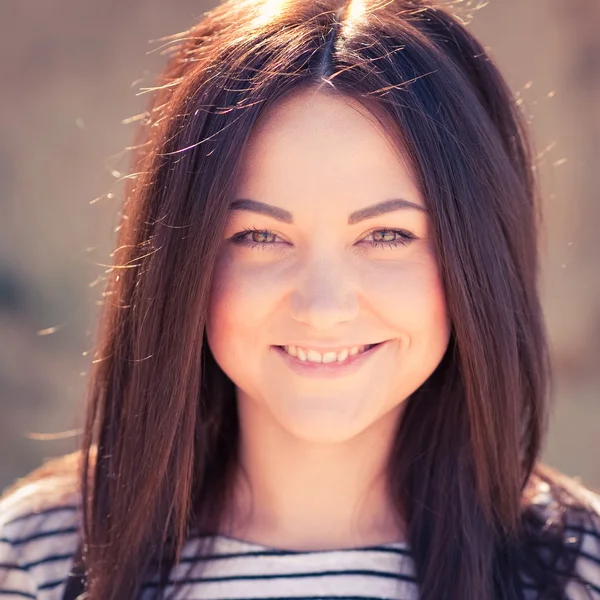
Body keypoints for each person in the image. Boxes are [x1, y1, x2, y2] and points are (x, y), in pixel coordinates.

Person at [1, 0, 599, 598]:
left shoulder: (576, 571)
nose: (322, 306)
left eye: (386, 234)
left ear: (478, 257)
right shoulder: (38, 558)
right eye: (260, 236)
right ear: (182, 261)